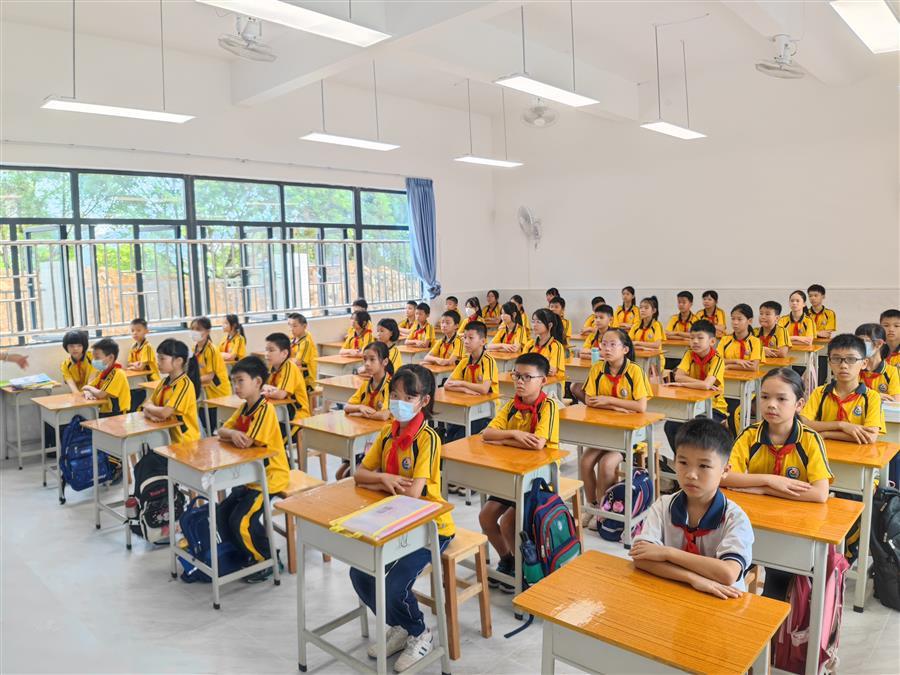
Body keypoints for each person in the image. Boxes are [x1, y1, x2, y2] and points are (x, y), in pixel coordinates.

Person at [351, 365, 454, 672]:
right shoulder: (388, 432)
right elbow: (359, 475)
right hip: (392, 520)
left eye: (408, 397)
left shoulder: (428, 439)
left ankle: (420, 632)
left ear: (424, 401)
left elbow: (412, 494)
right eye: (395, 395)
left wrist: (377, 482)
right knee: (360, 574)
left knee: (395, 585)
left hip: (430, 526)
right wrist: (383, 479)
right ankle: (401, 625)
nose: (399, 403)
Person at [629, 418, 753, 598]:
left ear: (725, 470)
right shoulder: (663, 506)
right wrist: (692, 578)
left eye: (704, 466)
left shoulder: (735, 518)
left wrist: (667, 553)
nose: (691, 474)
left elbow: (727, 574)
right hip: (673, 595)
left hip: (721, 602)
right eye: (683, 462)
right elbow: (641, 558)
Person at [479, 353, 558, 592]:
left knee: (507, 522)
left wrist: (503, 441)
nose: (520, 382)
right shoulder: (512, 405)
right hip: (512, 475)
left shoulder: (548, 406)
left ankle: (525, 571)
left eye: (527, 377)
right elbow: (487, 433)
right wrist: (514, 434)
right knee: (486, 517)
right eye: (517, 376)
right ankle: (509, 560)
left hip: (537, 481)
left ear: (543, 380)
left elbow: (537, 444)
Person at [217, 356, 290, 583]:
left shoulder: (264, 410)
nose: (236, 386)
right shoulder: (244, 408)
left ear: (258, 382)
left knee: (241, 519)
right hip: (250, 476)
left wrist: (235, 435)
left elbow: (247, 442)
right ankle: (245, 553)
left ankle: (266, 559)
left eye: (240, 381)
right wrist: (232, 433)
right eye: (234, 382)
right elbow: (222, 430)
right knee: (223, 513)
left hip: (269, 477)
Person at [578, 329, 651, 529]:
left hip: (629, 436)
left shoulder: (635, 371)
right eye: (604, 344)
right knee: (585, 461)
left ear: (625, 349)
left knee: (606, 464)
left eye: (612, 344)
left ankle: (604, 511)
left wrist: (608, 400)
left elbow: (641, 406)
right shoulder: (597, 369)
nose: (607, 348)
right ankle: (592, 506)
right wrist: (616, 407)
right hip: (604, 433)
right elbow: (590, 400)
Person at [800, 334, 885, 443]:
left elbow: (870, 436)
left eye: (851, 359)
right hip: (824, 451)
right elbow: (803, 423)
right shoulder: (820, 392)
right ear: (829, 362)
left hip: (858, 453)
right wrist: (841, 425)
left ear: (864, 363)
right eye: (836, 359)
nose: (843, 365)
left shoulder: (871, 397)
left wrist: (826, 434)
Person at [336, 341, 395, 480]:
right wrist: (360, 407)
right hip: (365, 434)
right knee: (340, 475)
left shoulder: (390, 385)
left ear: (385, 361)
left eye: (372, 359)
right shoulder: (366, 385)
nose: (367, 364)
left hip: (384, 437)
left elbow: (383, 415)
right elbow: (347, 407)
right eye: (365, 359)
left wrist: (358, 414)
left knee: (351, 475)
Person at [664, 320, 727, 449]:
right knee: (670, 426)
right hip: (691, 403)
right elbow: (678, 376)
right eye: (692, 338)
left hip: (714, 407)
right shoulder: (689, 354)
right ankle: (681, 457)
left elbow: (706, 385)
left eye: (700, 338)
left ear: (712, 341)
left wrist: (684, 383)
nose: (695, 341)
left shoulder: (717, 360)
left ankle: (696, 458)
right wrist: (700, 384)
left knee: (696, 429)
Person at [141, 338, 201, 444]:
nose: (158, 363)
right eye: (158, 358)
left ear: (178, 361)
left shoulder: (184, 385)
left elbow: (164, 413)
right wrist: (151, 416)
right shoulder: (164, 382)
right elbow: (146, 405)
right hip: (166, 439)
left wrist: (150, 408)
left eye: (162, 359)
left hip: (184, 443)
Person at [261, 332, 311, 432]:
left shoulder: (289, 367)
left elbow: (280, 394)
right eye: (266, 350)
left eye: (271, 350)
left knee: (272, 437)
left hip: (296, 414)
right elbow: (261, 385)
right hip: (280, 408)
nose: (267, 354)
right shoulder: (272, 366)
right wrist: (266, 388)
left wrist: (264, 392)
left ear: (284, 353)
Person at [191, 316, 231, 430]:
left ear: (208, 331)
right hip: (205, 393)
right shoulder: (194, 348)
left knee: (211, 427)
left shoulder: (211, 350)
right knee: (203, 426)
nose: (194, 332)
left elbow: (209, 377)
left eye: (198, 329)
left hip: (218, 394)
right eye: (192, 329)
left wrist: (192, 381)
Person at [82, 338, 131, 416]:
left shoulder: (118, 373)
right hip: (105, 411)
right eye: (93, 358)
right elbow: (88, 387)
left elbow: (100, 394)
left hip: (117, 414)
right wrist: (87, 392)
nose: (94, 361)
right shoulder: (104, 372)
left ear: (111, 357)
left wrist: (88, 388)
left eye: (97, 358)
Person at [855, 323, 900, 401]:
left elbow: (895, 401)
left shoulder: (891, 371)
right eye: (857, 341)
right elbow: (847, 395)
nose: (859, 345)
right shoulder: (855, 368)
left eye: (864, 341)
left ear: (879, 343)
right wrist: (876, 396)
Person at [717, 304, 763, 371]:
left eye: (739, 319)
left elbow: (753, 367)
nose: (735, 322)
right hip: (727, 376)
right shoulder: (724, 339)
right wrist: (736, 361)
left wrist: (729, 366)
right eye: (733, 319)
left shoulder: (756, 341)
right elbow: (717, 360)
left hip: (748, 377)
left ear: (750, 321)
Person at [523, 308, 566, 377]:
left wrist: (530, 365)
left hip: (550, 382)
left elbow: (551, 371)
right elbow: (521, 366)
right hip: (531, 380)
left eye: (539, 322)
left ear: (550, 325)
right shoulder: (529, 344)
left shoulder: (556, 346)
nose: (534, 325)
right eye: (533, 321)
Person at [287, 312, 318, 390]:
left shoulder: (306, 342)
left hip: (306, 381)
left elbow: (298, 361)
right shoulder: (293, 338)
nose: (291, 329)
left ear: (304, 326)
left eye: (294, 326)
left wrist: (282, 359)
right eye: (289, 325)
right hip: (295, 376)